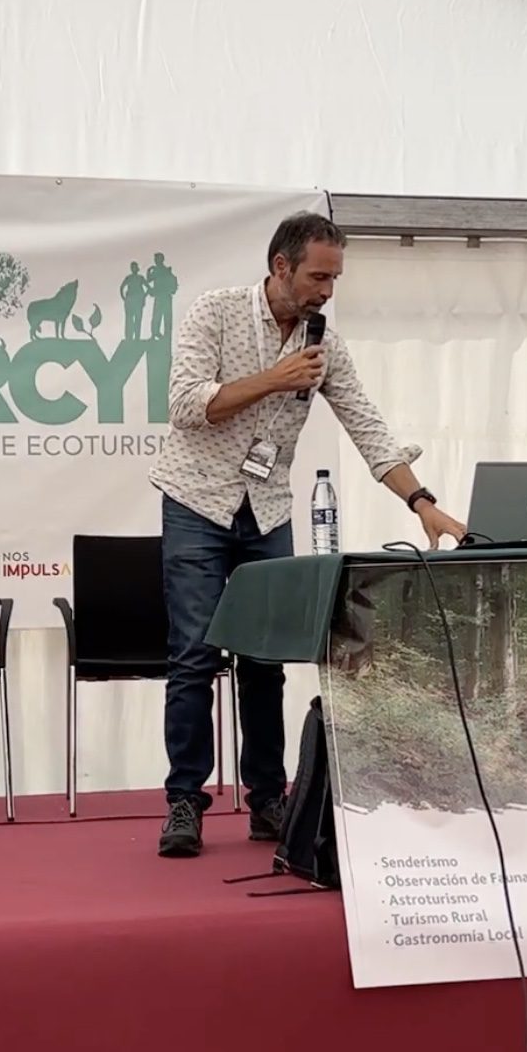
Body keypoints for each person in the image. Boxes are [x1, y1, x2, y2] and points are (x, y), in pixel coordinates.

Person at [148, 211, 467, 858]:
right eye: (319, 276)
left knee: (267, 660)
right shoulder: (216, 313)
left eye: (335, 278)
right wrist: (277, 378)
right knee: (194, 659)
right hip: (196, 502)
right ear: (281, 268)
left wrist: (422, 501)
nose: (328, 290)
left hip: (265, 508)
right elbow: (184, 406)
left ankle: (267, 799)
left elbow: (367, 425)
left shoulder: (326, 345)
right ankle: (185, 801)